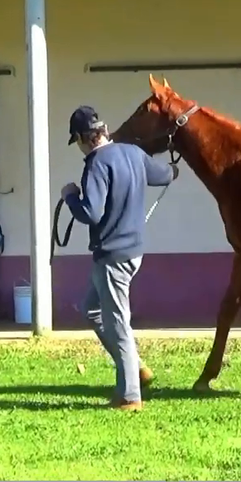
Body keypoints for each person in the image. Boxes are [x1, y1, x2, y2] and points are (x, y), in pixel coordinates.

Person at [61, 105, 179, 411]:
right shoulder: (133, 152)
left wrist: (70, 196)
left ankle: (129, 396)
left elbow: (91, 212)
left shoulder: (96, 164)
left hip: (112, 256)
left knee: (117, 323)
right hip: (133, 252)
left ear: (82, 138)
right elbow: (164, 175)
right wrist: (174, 169)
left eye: (76, 141)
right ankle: (136, 367)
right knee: (92, 309)